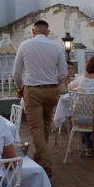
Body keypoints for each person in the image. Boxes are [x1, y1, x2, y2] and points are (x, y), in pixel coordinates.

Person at [12, 20, 66, 177]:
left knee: (36, 128)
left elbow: (16, 72)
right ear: (48, 32)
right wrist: (56, 84)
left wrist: (20, 88)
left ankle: (45, 163)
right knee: (46, 125)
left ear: (33, 31)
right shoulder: (56, 46)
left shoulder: (25, 45)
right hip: (51, 90)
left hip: (33, 90)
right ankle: (39, 156)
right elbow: (63, 72)